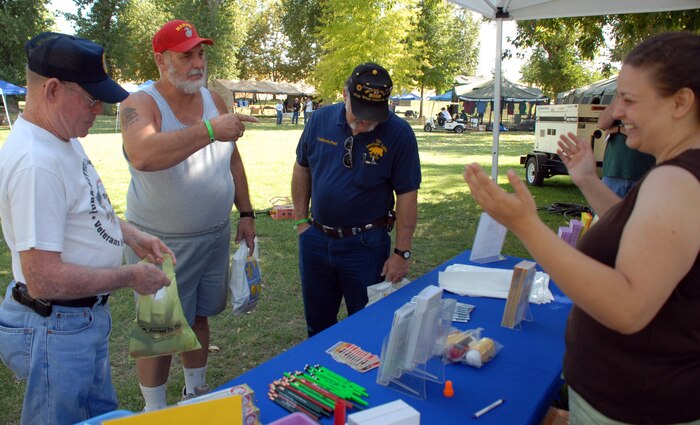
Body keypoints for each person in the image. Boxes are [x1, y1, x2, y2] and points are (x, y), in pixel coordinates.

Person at [463, 32, 700, 424]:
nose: (617, 111)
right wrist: (589, 180)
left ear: (681, 102)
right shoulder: (677, 174)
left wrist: (525, 224)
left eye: (629, 99)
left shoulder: (676, 181)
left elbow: (628, 308)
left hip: (636, 405)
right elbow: (639, 234)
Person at [0, 32, 174, 425]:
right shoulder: (36, 162)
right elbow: (42, 279)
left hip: (77, 322)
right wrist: (130, 275)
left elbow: (87, 208)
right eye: (91, 99)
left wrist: (132, 235)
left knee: (101, 417)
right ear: (52, 90)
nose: (98, 110)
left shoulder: (59, 136)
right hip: (55, 326)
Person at [119, 19, 258, 411]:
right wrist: (211, 130)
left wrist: (245, 213)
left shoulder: (214, 99)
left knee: (198, 319)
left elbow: (232, 159)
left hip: (213, 234)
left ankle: (195, 394)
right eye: (186, 56)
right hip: (161, 243)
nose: (198, 63)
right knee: (160, 331)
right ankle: (155, 409)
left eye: (201, 53)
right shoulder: (139, 104)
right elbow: (144, 155)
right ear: (162, 61)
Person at [291, 62, 421, 337]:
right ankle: (322, 379)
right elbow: (302, 166)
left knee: (367, 329)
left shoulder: (399, 134)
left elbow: (407, 194)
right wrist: (302, 220)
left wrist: (401, 253)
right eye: (359, 112)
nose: (365, 122)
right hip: (316, 240)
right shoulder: (319, 120)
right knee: (317, 327)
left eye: (373, 115)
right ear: (344, 94)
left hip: (365, 246)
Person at [598, 95, 656, 197]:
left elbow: (647, 130)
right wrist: (618, 97)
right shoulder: (620, 102)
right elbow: (602, 124)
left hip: (643, 173)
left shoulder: (654, 100)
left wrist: (618, 129)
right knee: (608, 212)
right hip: (614, 171)